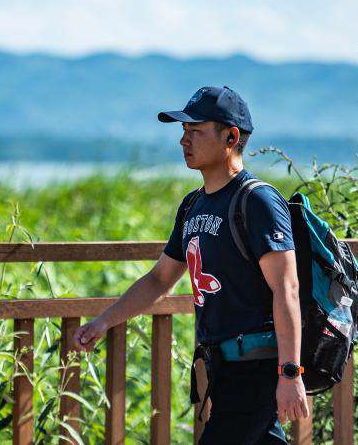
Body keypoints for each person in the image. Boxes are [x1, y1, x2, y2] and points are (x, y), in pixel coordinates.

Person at [71, 85, 309, 443]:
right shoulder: (192, 206)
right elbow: (159, 279)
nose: (184, 141)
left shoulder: (257, 201)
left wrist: (290, 373)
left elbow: (286, 288)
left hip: (255, 367)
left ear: (231, 137)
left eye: (195, 131)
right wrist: (104, 321)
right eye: (183, 132)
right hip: (221, 370)